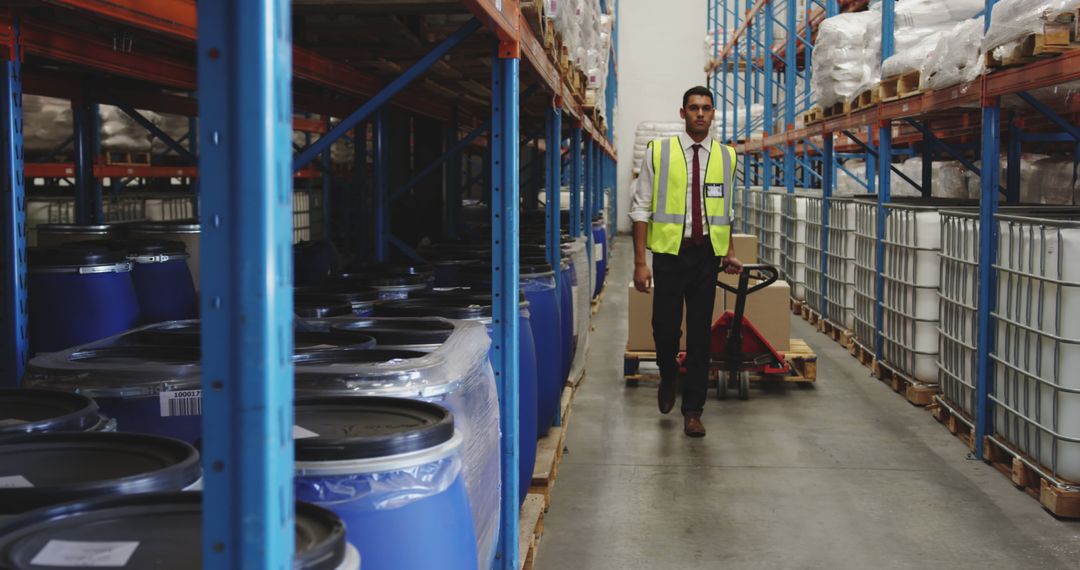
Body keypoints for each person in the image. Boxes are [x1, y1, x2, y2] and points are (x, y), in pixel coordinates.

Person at [629, 86, 742, 438]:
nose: (700, 114)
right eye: (694, 108)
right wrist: (639, 262)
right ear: (683, 113)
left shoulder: (726, 156)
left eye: (706, 108)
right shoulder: (659, 152)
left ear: (712, 114)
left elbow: (726, 210)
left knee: (699, 336)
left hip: (706, 255)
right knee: (664, 326)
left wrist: (730, 250)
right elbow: (641, 207)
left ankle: (693, 410)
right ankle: (667, 372)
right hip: (668, 254)